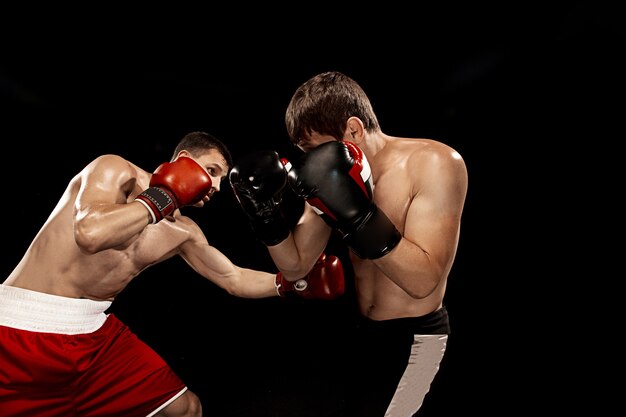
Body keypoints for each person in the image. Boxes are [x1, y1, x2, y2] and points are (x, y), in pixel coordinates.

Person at [0, 131, 345, 417]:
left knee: (184, 409)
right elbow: (90, 233)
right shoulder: (114, 170)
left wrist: (290, 285)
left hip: (92, 335)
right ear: (182, 159)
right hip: (20, 326)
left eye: (221, 180)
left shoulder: (184, 232)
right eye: (211, 171)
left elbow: (233, 279)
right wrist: (161, 196)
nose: (216, 186)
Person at [229, 71, 468, 417]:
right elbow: (296, 266)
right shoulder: (329, 174)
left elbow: (423, 281)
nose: (312, 162)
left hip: (421, 340)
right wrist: (265, 218)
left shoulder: (435, 163)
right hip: (362, 336)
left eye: (316, 149)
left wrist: (356, 216)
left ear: (354, 130)